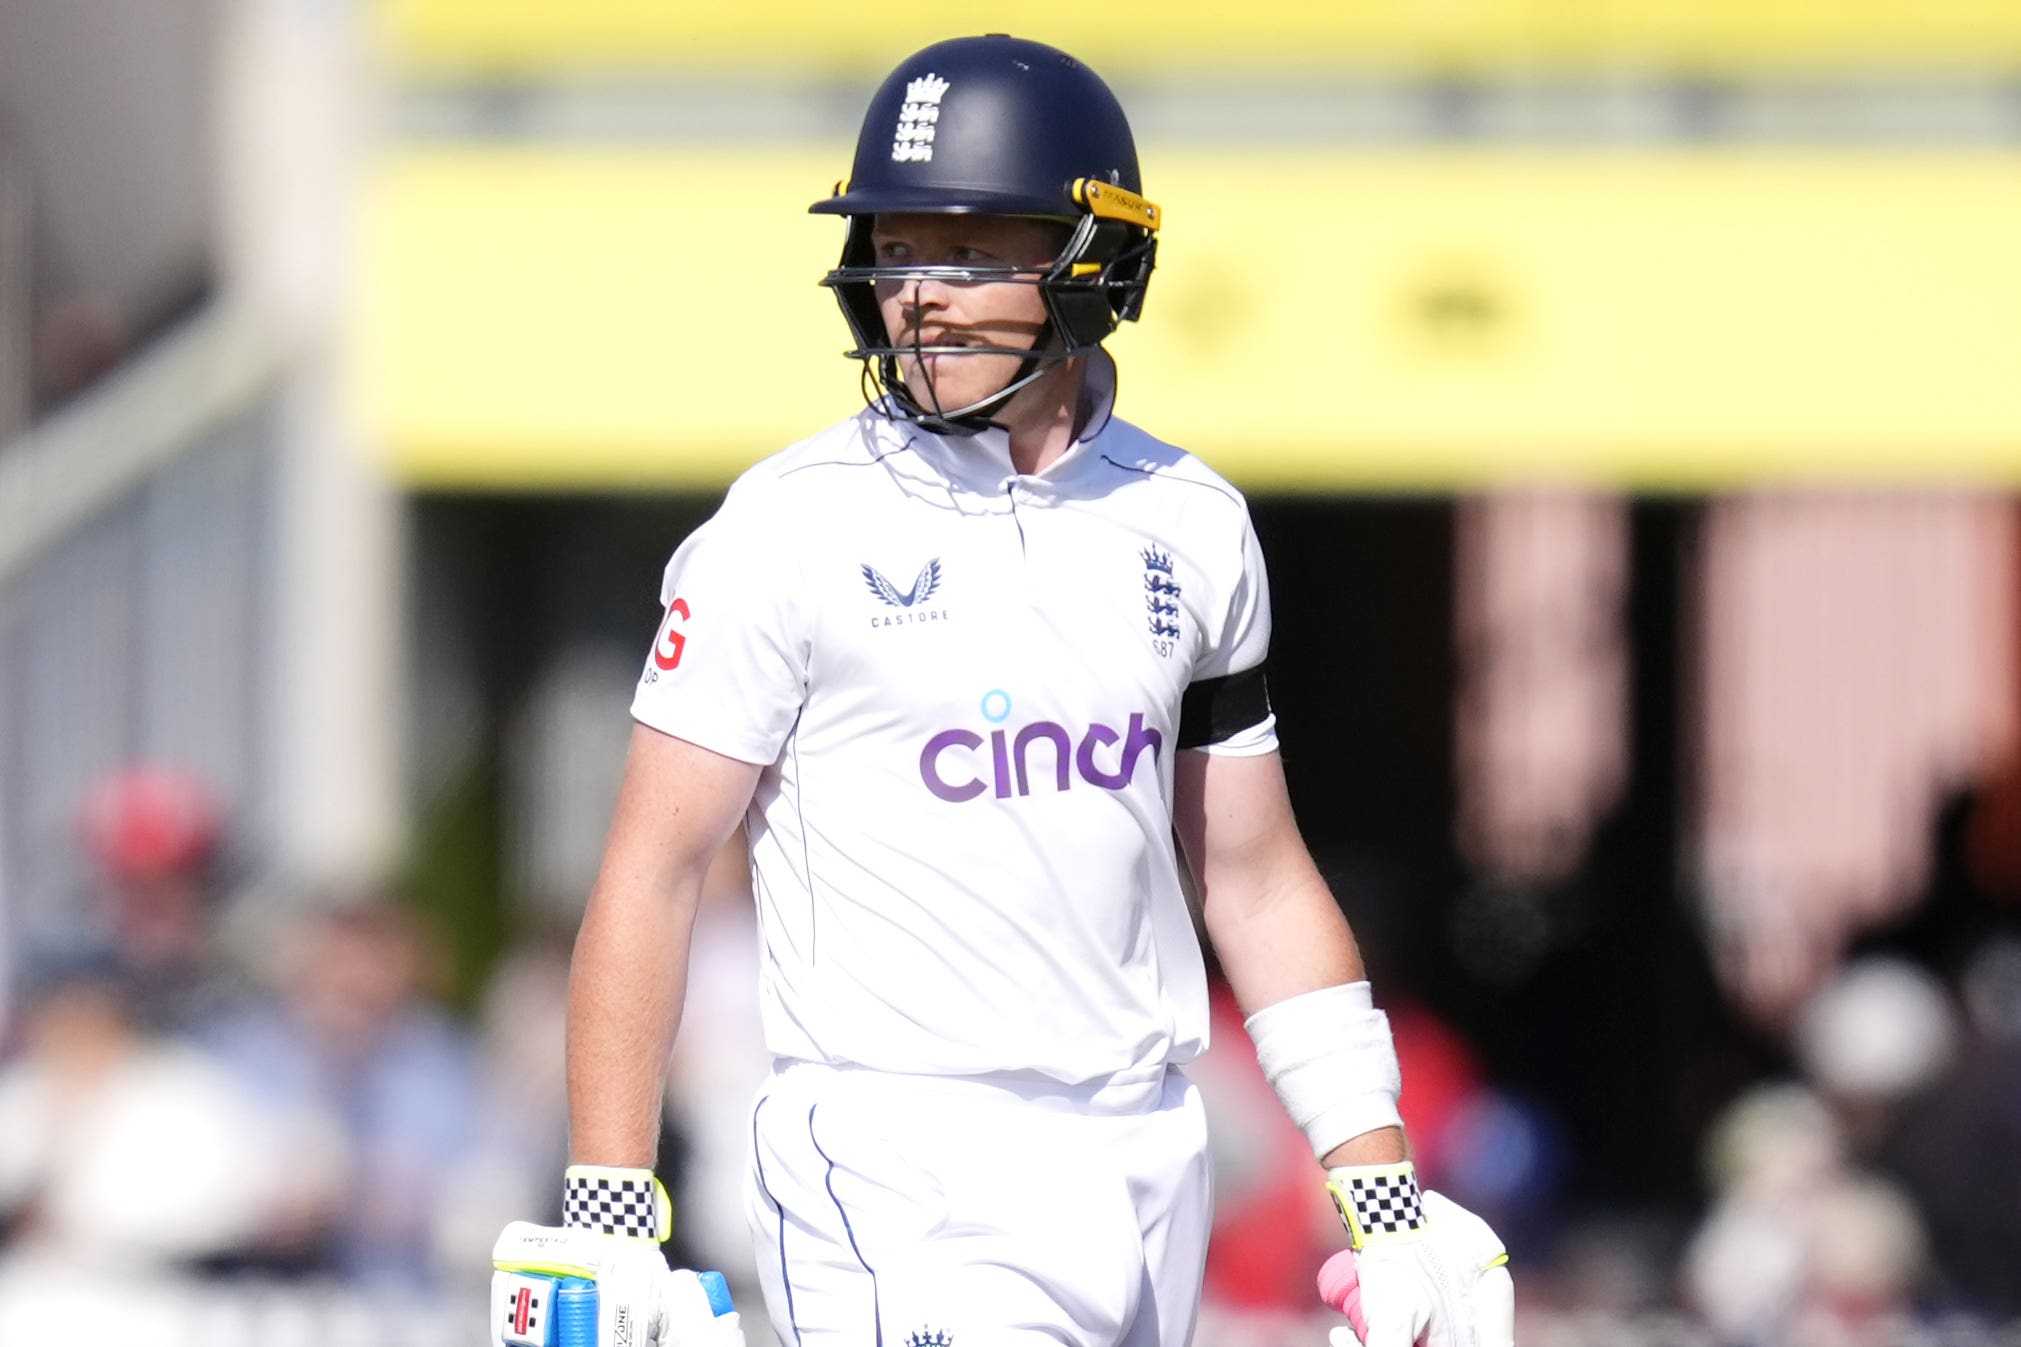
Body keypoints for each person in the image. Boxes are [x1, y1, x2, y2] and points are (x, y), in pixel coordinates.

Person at [492, 34, 1511, 1347]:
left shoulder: (1190, 525)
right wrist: (611, 1207)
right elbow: (651, 870)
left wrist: (1380, 1195)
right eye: (898, 251)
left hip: (1146, 1153)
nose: (919, 295)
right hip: (896, 1158)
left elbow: (1252, 877)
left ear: (1093, 258)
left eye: (969, 254)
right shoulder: (784, 530)